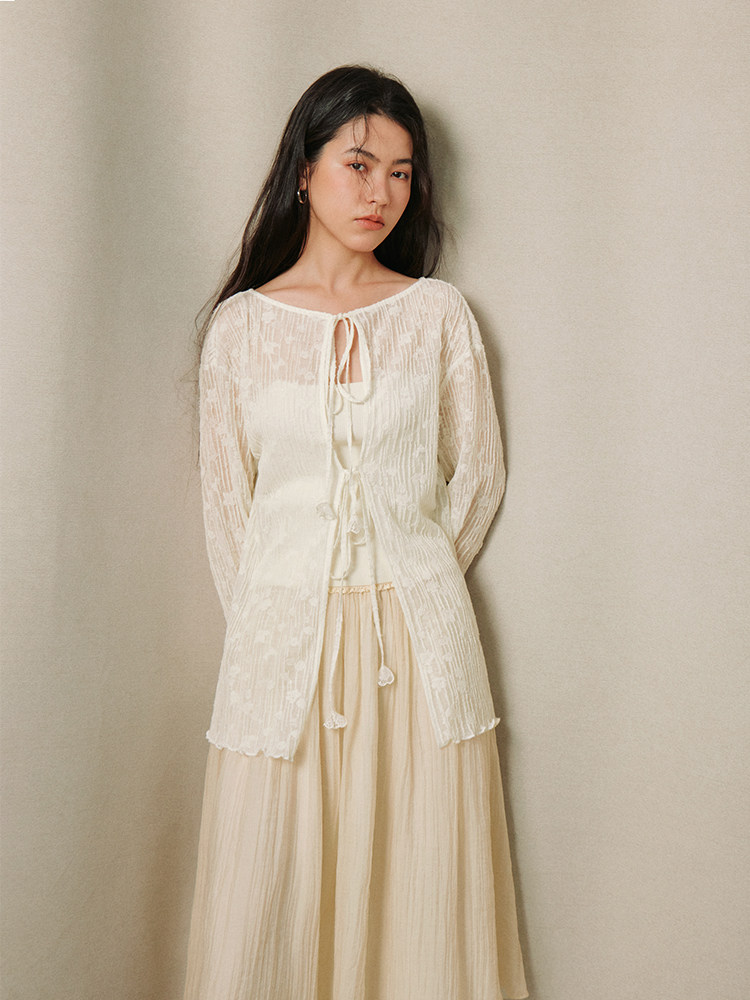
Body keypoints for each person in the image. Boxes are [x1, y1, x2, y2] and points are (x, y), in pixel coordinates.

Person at [182, 64, 529, 1000]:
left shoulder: (437, 314)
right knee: (271, 897)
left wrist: (410, 577)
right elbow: (228, 512)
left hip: (418, 651)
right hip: (278, 650)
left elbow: (478, 476)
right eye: (359, 164)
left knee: (423, 895)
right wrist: (286, 613)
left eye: (402, 173)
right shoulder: (240, 331)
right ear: (304, 170)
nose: (381, 193)